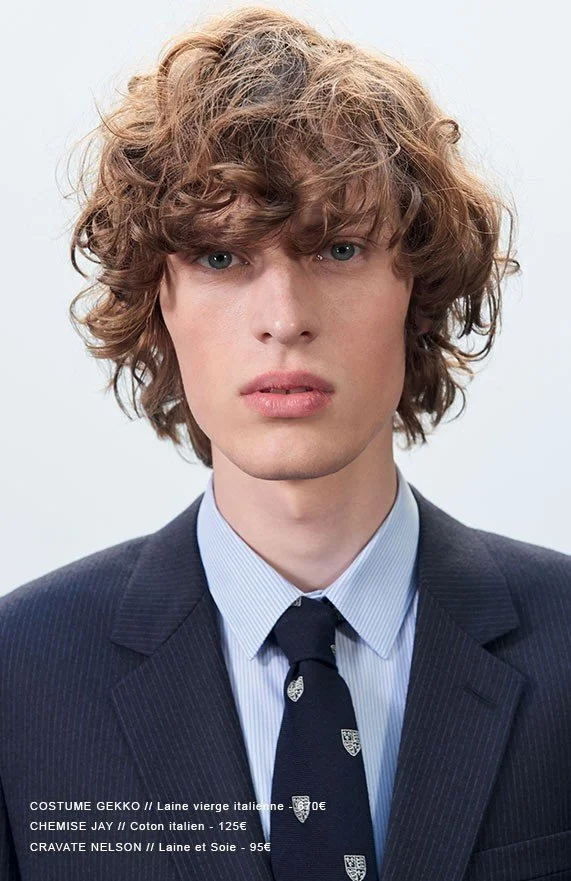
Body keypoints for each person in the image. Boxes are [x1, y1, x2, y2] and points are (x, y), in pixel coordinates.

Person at [1, 6, 569, 881]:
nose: (284, 319)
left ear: (417, 290)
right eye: (221, 257)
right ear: (157, 301)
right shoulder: (20, 675)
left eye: (337, 248)